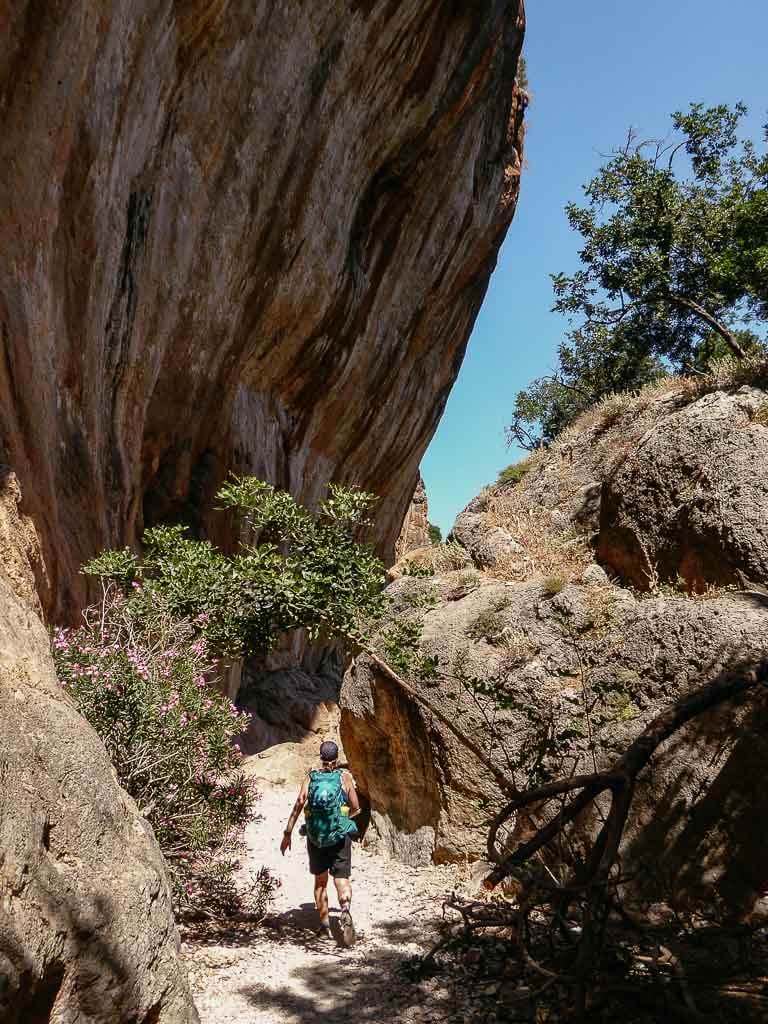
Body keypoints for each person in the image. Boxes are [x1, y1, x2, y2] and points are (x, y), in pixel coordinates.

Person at [280, 740, 361, 945]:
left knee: (320, 882)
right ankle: (345, 909)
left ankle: (324, 926)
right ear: (337, 758)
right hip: (339, 837)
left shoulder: (311, 777)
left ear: (321, 757)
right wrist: (343, 818)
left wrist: (288, 833)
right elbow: (356, 807)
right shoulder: (344, 777)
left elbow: (299, 803)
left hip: (316, 838)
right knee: (341, 880)